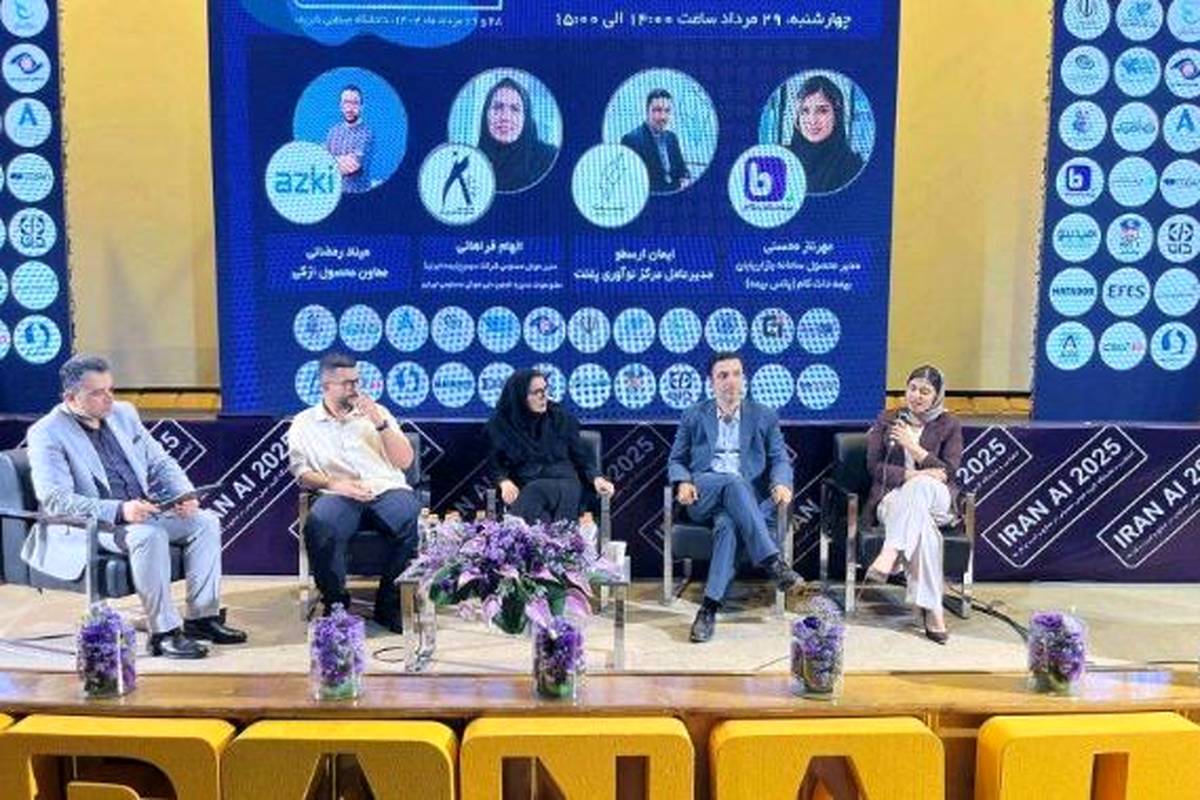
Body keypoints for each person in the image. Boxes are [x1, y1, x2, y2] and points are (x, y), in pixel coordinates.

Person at [23, 355, 247, 659]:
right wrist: (119, 510)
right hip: (91, 524)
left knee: (205, 522)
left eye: (111, 389)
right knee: (148, 536)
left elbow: (159, 462)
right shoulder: (47, 432)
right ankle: (163, 633)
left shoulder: (123, 413)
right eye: (97, 393)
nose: (108, 399)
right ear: (71, 398)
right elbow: (55, 499)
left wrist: (183, 493)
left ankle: (202, 619)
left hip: (142, 512)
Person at [668, 352, 802, 643]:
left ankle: (708, 608)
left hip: (743, 501)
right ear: (712, 382)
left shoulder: (763, 415)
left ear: (744, 378)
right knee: (732, 480)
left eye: (736, 374)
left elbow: (780, 458)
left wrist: (781, 482)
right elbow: (676, 459)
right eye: (723, 375)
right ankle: (772, 561)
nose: (731, 381)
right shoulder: (694, 415)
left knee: (728, 525)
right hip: (704, 492)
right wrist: (683, 480)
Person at [287, 352, 419, 632]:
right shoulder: (304, 422)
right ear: (326, 386)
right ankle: (336, 604)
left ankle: (389, 603)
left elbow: (405, 462)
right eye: (346, 383)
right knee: (320, 525)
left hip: (385, 488)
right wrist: (336, 484)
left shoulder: (377, 413)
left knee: (410, 517)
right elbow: (301, 472)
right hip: (338, 492)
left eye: (357, 381)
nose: (355, 388)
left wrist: (379, 423)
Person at [861, 365, 963, 644]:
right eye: (913, 389)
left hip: (937, 500)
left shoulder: (949, 424)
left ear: (937, 396)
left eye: (925, 391)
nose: (917, 396)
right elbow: (875, 467)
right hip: (893, 498)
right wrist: (914, 474)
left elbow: (948, 472)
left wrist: (912, 447)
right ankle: (933, 610)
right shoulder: (887, 419)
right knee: (924, 530)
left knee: (921, 488)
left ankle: (891, 551)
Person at [486, 369, 615, 524]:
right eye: (536, 392)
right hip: (525, 487)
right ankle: (560, 536)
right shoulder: (499, 425)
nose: (544, 396)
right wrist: (504, 482)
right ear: (519, 396)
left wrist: (597, 478)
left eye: (545, 390)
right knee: (541, 520)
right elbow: (495, 464)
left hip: (564, 484)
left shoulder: (560, 418)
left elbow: (582, 457)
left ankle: (510, 532)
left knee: (535, 490)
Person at [477, 76, 557, 192]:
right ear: (486, 114)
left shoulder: (549, 159)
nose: (505, 117)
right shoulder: (473, 163)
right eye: (498, 107)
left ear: (526, 118)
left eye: (515, 109)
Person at [787, 74, 864, 195]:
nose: (812, 120)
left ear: (836, 115)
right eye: (804, 111)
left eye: (822, 111)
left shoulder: (852, 167)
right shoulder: (782, 158)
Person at [620, 88, 692, 194]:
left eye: (667, 111)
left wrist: (685, 179)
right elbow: (631, 183)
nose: (663, 117)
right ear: (647, 111)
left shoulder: (672, 138)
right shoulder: (630, 140)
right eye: (657, 110)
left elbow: (683, 170)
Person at [325, 84, 374, 194]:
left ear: (362, 106)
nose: (349, 108)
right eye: (346, 102)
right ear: (340, 106)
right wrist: (342, 160)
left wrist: (330, 160)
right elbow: (321, 161)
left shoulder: (366, 134)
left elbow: (351, 166)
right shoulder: (333, 132)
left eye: (355, 103)